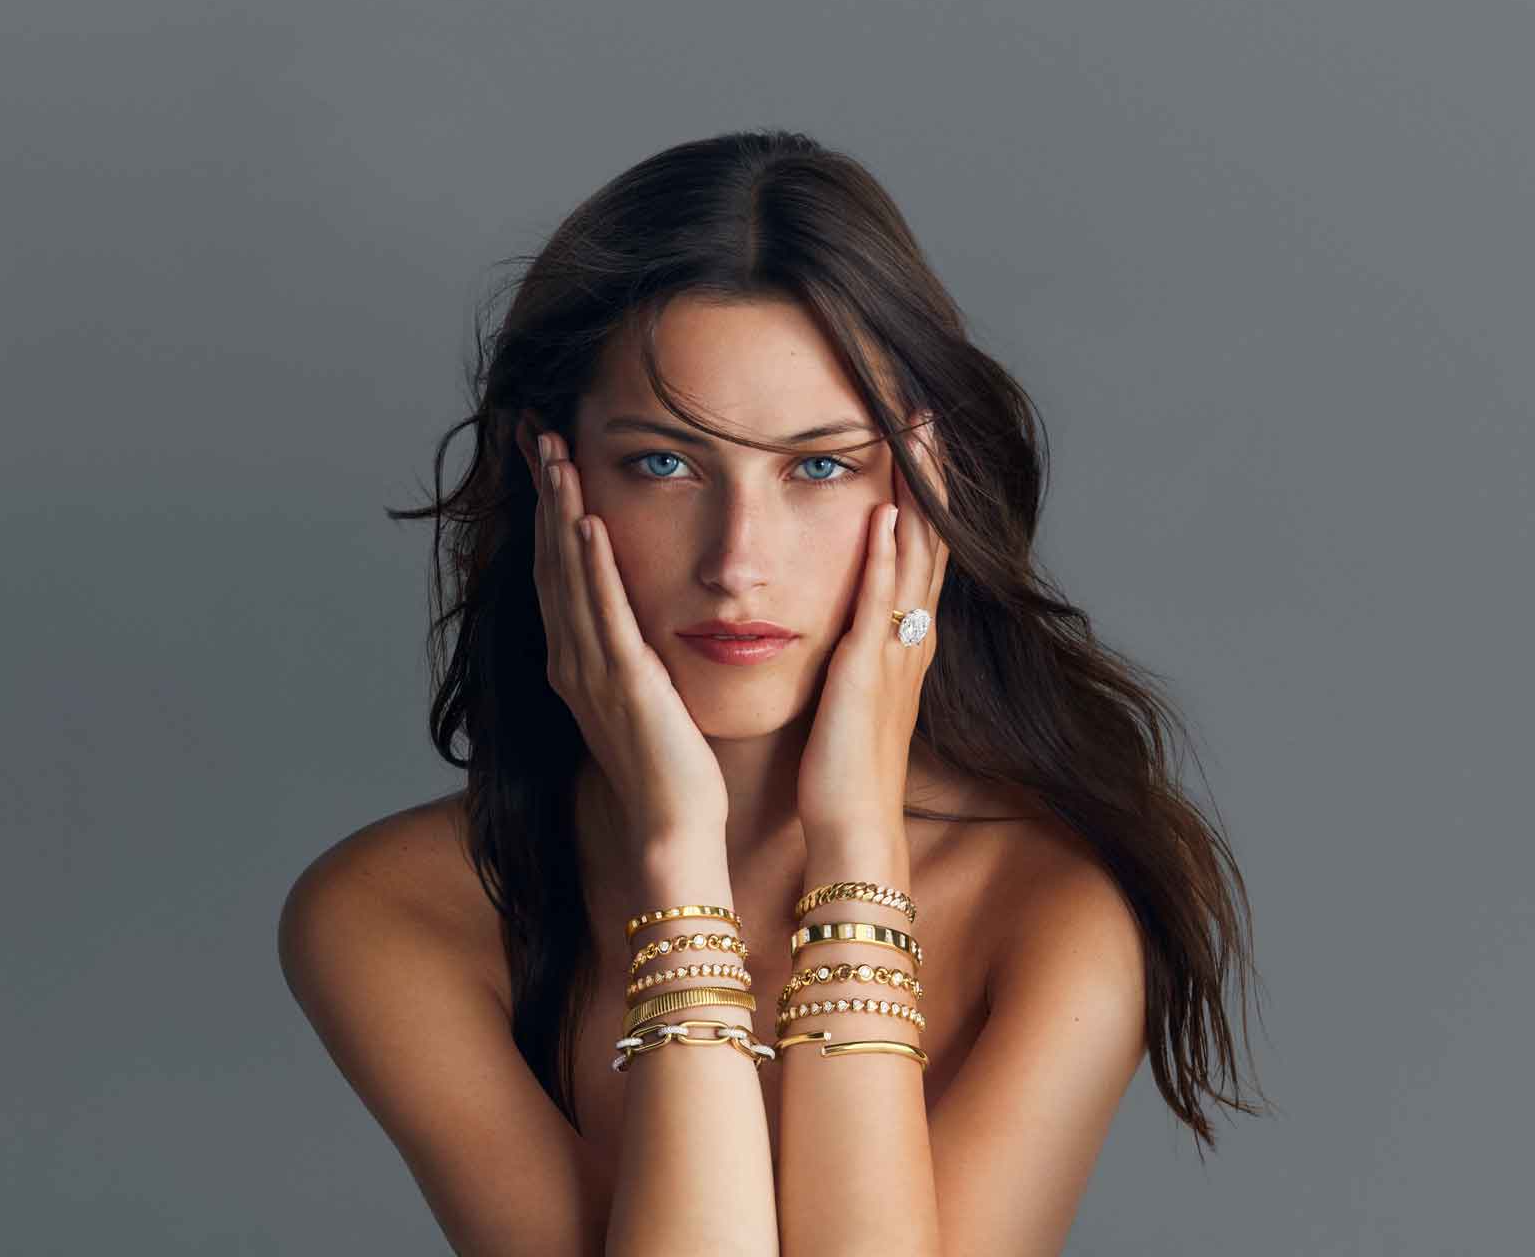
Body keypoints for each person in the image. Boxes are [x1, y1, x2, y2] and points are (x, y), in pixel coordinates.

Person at [279, 128, 1271, 1256]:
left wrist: (857, 844)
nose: (738, 559)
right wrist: (679, 850)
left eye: (819, 465)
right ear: (552, 482)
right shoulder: (401, 911)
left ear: (923, 494)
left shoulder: (1049, 908)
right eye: (665, 462)